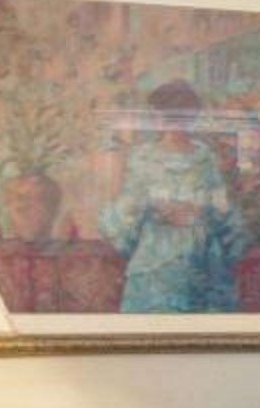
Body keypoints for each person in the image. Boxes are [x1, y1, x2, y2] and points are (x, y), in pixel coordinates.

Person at [99, 81, 239, 312]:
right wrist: (153, 207)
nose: (174, 124)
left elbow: (222, 206)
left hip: (200, 255)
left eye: (180, 116)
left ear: (192, 117)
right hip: (155, 257)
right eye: (166, 116)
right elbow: (129, 206)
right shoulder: (143, 158)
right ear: (157, 117)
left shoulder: (205, 157)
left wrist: (201, 210)